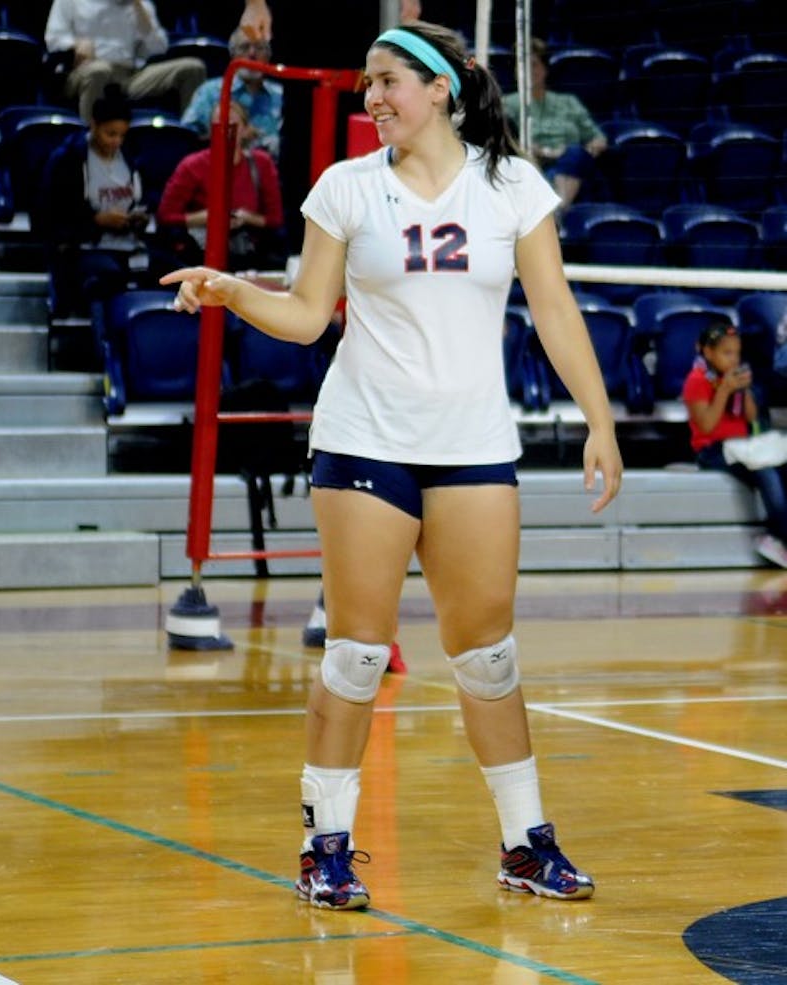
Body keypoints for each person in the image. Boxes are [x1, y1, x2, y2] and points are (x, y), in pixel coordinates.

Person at [161, 20, 622, 909]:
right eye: (368, 83)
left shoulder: (511, 187)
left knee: (488, 657)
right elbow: (305, 315)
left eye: (388, 82)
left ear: (441, 88)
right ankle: (323, 846)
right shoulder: (346, 188)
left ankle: (526, 845)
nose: (372, 98)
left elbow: (557, 312)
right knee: (358, 654)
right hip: (365, 437)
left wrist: (599, 421)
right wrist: (228, 287)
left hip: (476, 447)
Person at [39, 85, 157, 315]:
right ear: (94, 125)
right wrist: (96, 220)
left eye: (122, 135)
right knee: (107, 277)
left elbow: (149, 197)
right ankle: (105, 344)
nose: (116, 141)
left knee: (171, 274)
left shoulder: (132, 156)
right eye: (110, 134)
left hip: (131, 244)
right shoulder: (68, 159)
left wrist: (140, 217)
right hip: (84, 248)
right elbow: (53, 215)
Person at [682, 319, 787, 568]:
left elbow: (750, 418)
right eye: (727, 353)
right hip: (713, 451)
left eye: (737, 353)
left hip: (741, 446)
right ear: (708, 352)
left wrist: (744, 391)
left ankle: (777, 534)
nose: (733, 359)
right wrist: (724, 391)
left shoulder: (734, 378)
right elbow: (706, 425)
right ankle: (779, 538)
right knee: (766, 472)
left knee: (782, 466)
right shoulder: (696, 381)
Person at [157, 101, 285, 272]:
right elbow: (165, 216)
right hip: (201, 252)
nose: (227, 130)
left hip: (248, 253)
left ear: (246, 129)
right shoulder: (192, 165)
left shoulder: (262, 163)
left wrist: (246, 217)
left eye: (233, 125)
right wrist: (208, 217)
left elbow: (275, 220)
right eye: (220, 124)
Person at [45, 0, 206, 121]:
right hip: (84, 69)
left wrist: (142, 16)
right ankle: (88, 141)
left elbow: (159, 48)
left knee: (193, 68)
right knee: (99, 70)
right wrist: (75, 44)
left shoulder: (140, 5)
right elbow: (53, 38)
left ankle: (191, 137)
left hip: (130, 74)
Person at [503, 38, 607, 214]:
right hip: (531, 165)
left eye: (534, 65)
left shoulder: (568, 102)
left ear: (545, 69)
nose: (528, 71)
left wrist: (592, 147)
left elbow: (598, 139)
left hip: (570, 167)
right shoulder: (505, 104)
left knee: (575, 154)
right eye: (521, 66)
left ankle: (558, 210)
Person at [180, 28, 284, 159]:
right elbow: (186, 136)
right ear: (233, 56)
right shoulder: (210, 92)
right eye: (244, 47)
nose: (252, 54)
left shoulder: (280, 95)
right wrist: (229, 136)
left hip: (270, 172)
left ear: (268, 57)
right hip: (221, 168)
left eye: (259, 48)